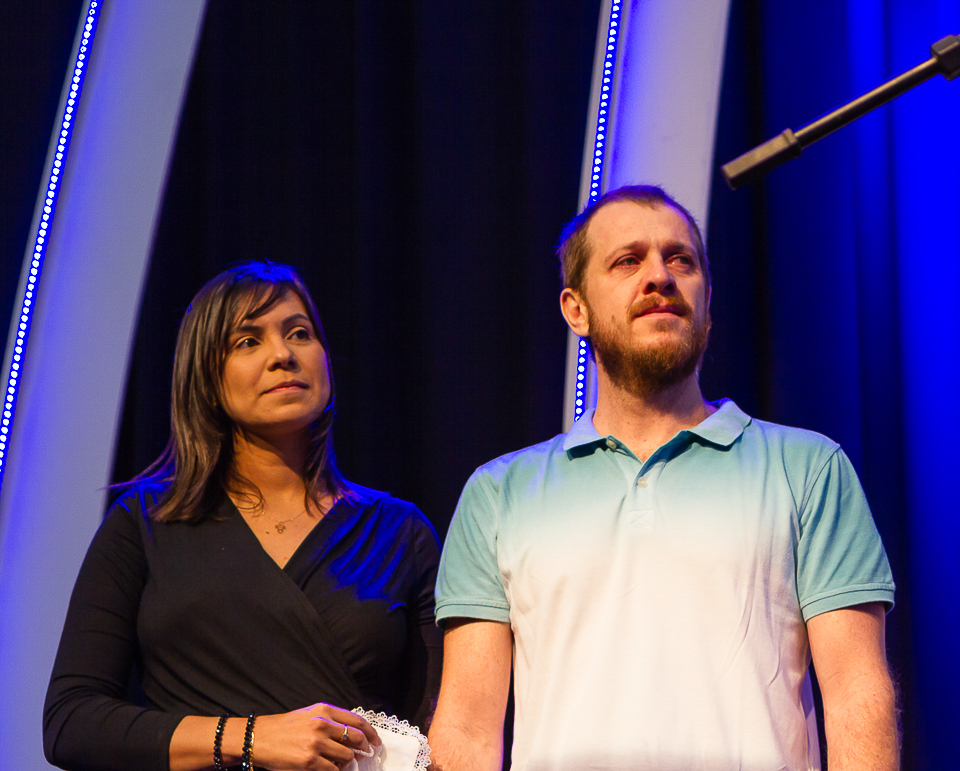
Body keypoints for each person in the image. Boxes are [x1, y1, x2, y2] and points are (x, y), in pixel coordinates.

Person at [428, 186, 898, 771]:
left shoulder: (807, 468)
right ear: (575, 309)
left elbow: (857, 695)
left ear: (707, 302)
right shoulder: (498, 494)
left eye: (681, 260)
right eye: (628, 261)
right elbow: (468, 728)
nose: (660, 277)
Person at [44, 262, 442, 771]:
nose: (283, 355)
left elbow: (439, 729)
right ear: (206, 377)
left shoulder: (399, 531)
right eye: (248, 342)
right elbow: (71, 722)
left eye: (300, 333)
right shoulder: (144, 522)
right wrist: (251, 737)